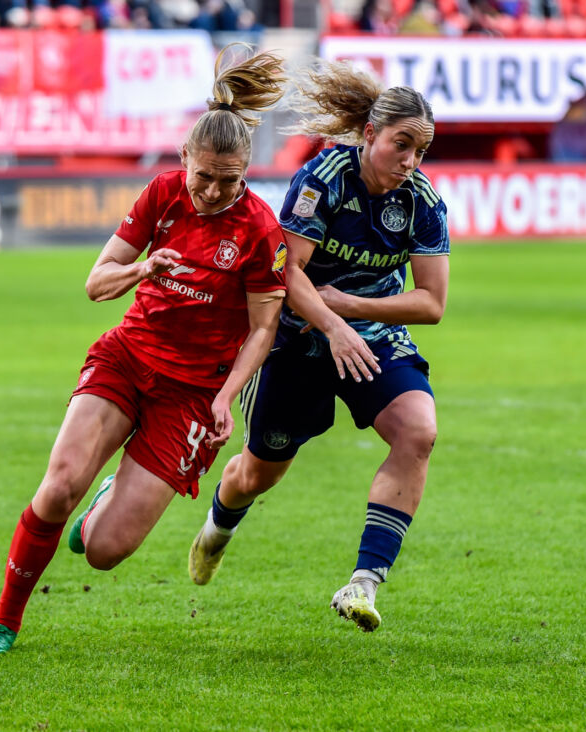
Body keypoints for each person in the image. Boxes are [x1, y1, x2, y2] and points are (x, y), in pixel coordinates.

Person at [0, 45, 289, 655]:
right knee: (59, 484)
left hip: (195, 392)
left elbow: (262, 330)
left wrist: (225, 400)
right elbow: (95, 283)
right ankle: (3, 622)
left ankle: (105, 504)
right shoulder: (161, 195)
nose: (216, 190)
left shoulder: (259, 230)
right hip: (129, 357)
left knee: (104, 552)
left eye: (231, 179)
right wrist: (144, 269)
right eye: (205, 175)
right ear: (184, 159)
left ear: (245, 171)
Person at [187, 60, 450, 632]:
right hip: (300, 342)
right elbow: (289, 275)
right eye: (401, 145)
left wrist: (351, 310)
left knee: (418, 431)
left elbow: (430, 303)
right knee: (258, 473)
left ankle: (364, 582)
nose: (410, 161)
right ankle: (218, 526)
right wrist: (331, 324)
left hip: (370, 339)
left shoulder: (424, 203)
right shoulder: (322, 178)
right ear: (370, 135)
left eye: (421, 151)